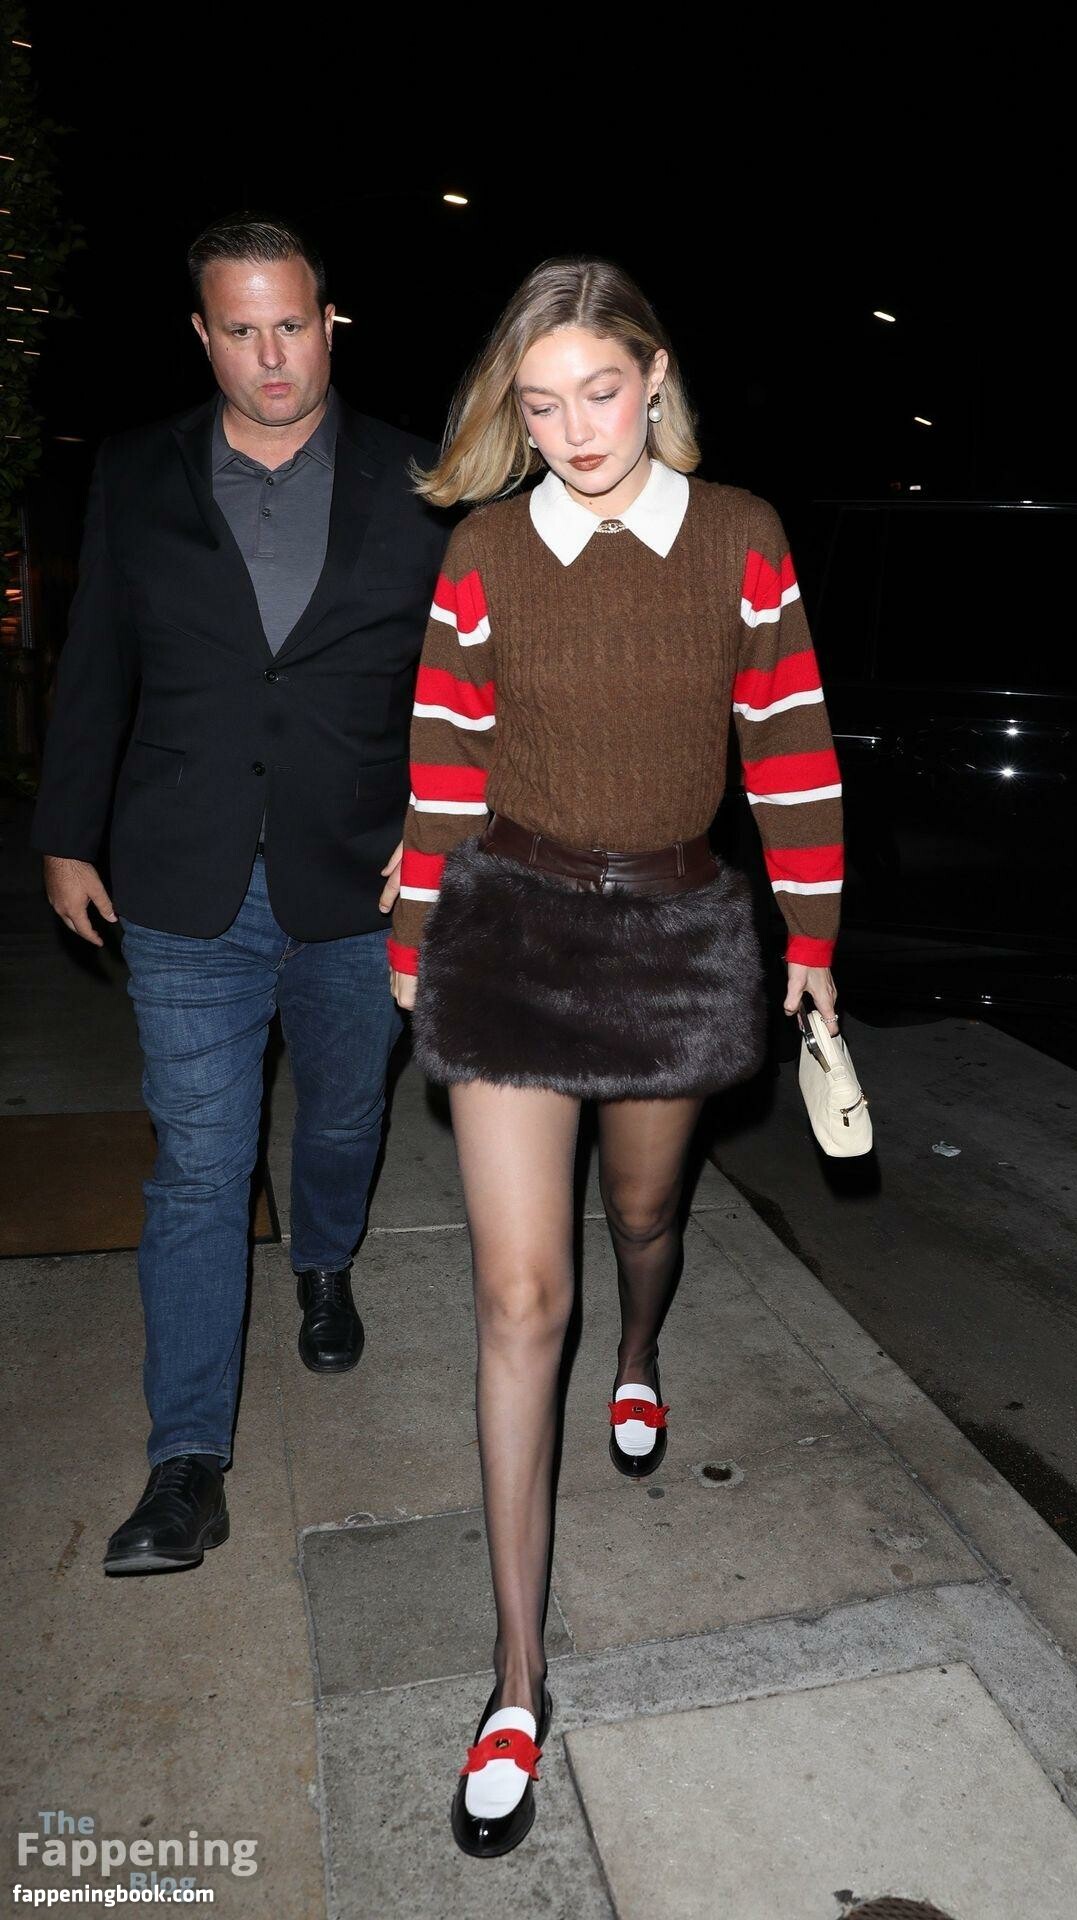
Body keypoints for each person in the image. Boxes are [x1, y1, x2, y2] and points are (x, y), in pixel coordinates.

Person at [388, 255, 844, 1857]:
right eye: (541, 405)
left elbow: (789, 747)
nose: (576, 429)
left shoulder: (740, 535)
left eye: (601, 391)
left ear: (654, 381)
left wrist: (812, 942)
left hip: (674, 930)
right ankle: (517, 1681)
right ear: (513, 415)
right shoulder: (485, 551)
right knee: (523, 1298)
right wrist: (413, 944)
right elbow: (445, 760)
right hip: (511, 927)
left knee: (643, 1220)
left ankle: (642, 1351)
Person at [30, 214, 447, 1575]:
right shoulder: (136, 470)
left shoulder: (420, 477)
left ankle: (323, 1260)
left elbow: (468, 683)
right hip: (180, 875)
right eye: (241, 330)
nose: (272, 358)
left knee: (342, 1116)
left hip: (363, 878)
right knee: (202, 1167)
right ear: (203, 336)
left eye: (293, 326)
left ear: (329, 324)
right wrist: (65, 832)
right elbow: (97, 658)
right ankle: (186, 1464)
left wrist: (441, 827)